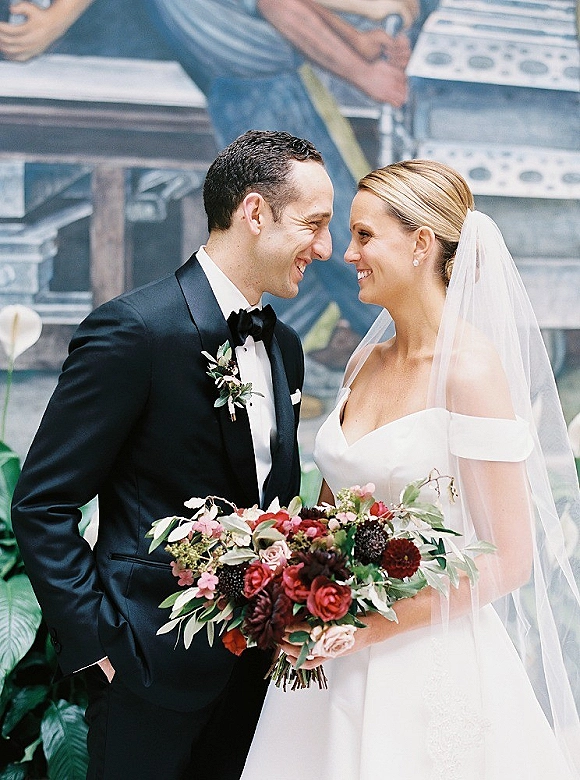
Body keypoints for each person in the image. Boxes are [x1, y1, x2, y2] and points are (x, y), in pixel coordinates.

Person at [241, 160, 580, 779]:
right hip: (330, 658)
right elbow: (328, 518)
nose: (347, 254)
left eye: (364, 236)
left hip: (427, 664)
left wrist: (370, 629)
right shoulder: (364, 361)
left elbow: (509, 559)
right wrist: (291, 585)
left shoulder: (470, 372)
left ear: (422, 243)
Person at [11, 129, 334, 780]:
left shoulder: (285, 347)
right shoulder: (134, 330)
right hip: (146, 670)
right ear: (254, 212)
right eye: (314, 224)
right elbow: (42, 503)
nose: (325, 248)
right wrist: (101, 644)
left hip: (255, 678)